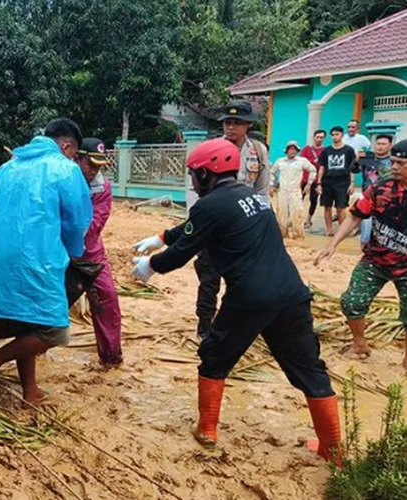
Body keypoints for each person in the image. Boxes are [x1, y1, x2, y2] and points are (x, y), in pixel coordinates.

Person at [131, 138, 341, 464]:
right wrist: (160, 237)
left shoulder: (210, 205)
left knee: (214, 355)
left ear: (208, 173)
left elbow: (181, 254)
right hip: (291, 295)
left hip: (249, 298)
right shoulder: (252, 197)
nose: (192, 181)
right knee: (309, 370)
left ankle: (207, 430)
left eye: (194, 174)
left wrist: (151, 265)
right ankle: (333, 451)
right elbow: (194, 229)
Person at [0, 118, 92, 403]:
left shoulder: (6, 167)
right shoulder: (65, 168)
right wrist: (73, 251)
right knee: (54, 329)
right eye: (74, 152)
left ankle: (30, 390)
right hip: (36, 259)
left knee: (29, 322)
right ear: (67, 146)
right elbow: (76, 221)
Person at [141, 100, 270, 340]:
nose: (230, 127)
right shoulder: (211, 148)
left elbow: (261, 190)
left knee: (244, 277)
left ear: (248, 125)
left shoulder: (258, 152)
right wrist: (197, 220)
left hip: (243, 225)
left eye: (237, 123)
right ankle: (205, 325)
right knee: (209, 276)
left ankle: (241, 324)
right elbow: (194, 188)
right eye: (227, 122)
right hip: (213, 222)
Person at [315, 139, 407, 367]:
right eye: (393, 162)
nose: (394, 167)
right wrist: (333, 243)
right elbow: (356, 216)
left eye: (401, 163)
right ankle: (360, 344)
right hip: (376, 260)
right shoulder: (379, 188)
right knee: (351, 301)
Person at [74, 138, 123, 366]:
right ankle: (34, 350)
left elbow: (95, 223)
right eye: (90, 164)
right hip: (57, 252)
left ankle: (111, 356)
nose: (95, 171)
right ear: (77, 158)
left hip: (90, 254)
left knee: (107, 298)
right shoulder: (62, 179)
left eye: (99, 166)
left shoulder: (102, 187)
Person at [351, 134, 393, 248]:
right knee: (366, 232)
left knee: (385, 232)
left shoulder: (393, 161)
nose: (380, 147)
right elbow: (354, 169)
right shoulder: (367, 157)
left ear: (390, 146)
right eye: (378, 144)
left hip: (387, 201)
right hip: (368, 199)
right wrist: (357, 159)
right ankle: (363, 253)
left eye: (384, 144)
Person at [269, 141, 317, 239]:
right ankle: (283, 235)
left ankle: (298, 236)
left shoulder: (302, 161)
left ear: (297, 151)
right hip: (282, 190)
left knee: (297, 213)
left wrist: (309, 184)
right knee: (282, 213)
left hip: (295, 191)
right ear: (286, 151)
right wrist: (271, 185)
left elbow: (313, 170)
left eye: (294, 149)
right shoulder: (280, 161)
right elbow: (272, 172)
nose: (292, 151)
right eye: (290, 149)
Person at [316, 126, 357, 237]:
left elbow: (352, 167)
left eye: (337, 134)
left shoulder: (348, 150)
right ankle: (329, 230)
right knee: (327, 206)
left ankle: (341, 230)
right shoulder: (326, 151)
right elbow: (322, 168)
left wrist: (352, 183)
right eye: (333, 135)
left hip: (343, 182)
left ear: (342, 135)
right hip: (327, 181)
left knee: (341, 207)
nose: (335, 136)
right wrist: (319, 183)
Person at [301, 129, 326, 228]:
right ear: (313, 137)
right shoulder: (306, 149)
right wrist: (314, 161)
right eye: (317, 137)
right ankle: (296, 218)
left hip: (317, 180)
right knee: (299, 199)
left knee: (314, 200)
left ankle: (308, 219)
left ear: (324, 138)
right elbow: (302, 161)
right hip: (304, 178)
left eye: (321, 137)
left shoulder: (325, 150)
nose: (319, 139)